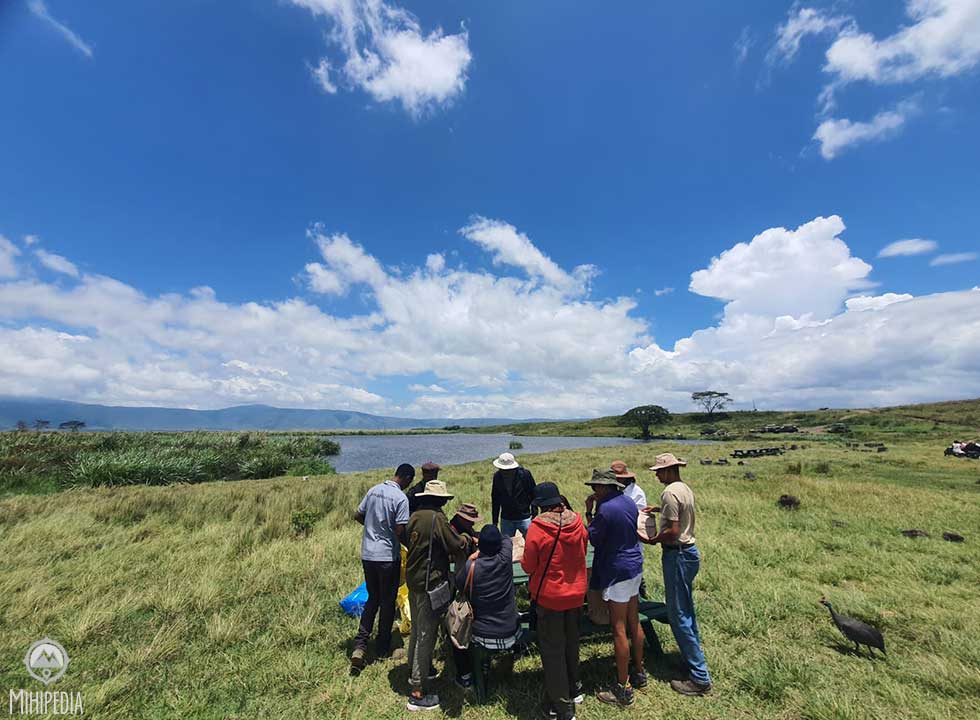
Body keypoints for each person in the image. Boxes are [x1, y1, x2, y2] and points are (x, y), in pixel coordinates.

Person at [640, 453, 712, 696]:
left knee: (678, 613)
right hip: (689, 553)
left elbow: (672, 531)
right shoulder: (683, 488)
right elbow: (680, 513)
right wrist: (659, 510)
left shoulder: (670, 491)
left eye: (659, 471)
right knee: (686, 609)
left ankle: (700, 678)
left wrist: (651, 539)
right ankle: (692, 663)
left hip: (677, 554)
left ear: (670, 470)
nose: (657, 475)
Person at [404, 480, 472, 711]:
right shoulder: (436, 518)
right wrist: (467, 539)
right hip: (429, 582)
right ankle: (417, 690)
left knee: (417, 630)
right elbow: (454, 544)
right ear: (439, 499)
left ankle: (415, 671)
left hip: (413, 580)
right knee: (427, 634)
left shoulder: (414, 515)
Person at [522, 482, 588, 720]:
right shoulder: (578, 522)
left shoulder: (538, 528)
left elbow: (528, 565)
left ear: (540, 506)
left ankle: (561, 706)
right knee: (571, 642)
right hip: (577, 593)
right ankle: (574, 687)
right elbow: (583, 549)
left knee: (552, 650)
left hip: (550, 597)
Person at [585, 469, 645, 707]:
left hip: (617, 569)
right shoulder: (628, 501)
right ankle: (639, 672)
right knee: (634, 621)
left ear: (604, 488)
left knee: (618, 628)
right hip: (634, 565)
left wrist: (589, 513)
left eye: (595, 488)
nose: (593, 492)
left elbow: (593, 538)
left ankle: (623, 688)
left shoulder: (605, 509)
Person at [351, 463, 414, 671]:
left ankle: (360, 645)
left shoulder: (374, 490)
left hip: (368, 555)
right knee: (387, 602)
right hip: (387, 557)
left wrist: (372, 529)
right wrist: (411, 547)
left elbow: (358, 514)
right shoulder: (400, 498)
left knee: (373, 598)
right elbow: (399, 530)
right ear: (406, 478)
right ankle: (383, 646)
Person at [454, 525, 520, 689]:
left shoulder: (471, 567)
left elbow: (459, 584)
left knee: (455, 636)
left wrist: (472, 557)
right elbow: (506, 539)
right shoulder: (505, 558)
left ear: (479, 546)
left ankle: (465, 677)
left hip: (483, 633)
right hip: (510, 629)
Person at [610, 461, 649, 599]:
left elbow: (636, 519)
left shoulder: (636, 493)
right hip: (616, 544)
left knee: (634, 575)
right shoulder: (615, 491)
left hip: (632, 542)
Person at [491, 452, 537, 538]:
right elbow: (495, 499)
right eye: (502, 469)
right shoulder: (497, 477)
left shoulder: (524, 475)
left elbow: (533, 493)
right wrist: (495, 521)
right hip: (506, 517)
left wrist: (534, 513)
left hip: (524, 516)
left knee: (531, 541)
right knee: (506, 544)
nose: (505, 472)